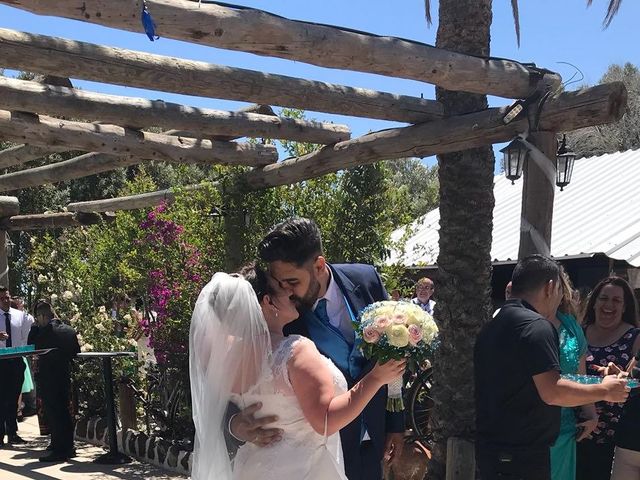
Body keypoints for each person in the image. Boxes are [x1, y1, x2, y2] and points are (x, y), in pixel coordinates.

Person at [229, 217, 405, 480]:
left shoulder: (366, 280)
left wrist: (395, 424)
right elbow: (236, 376)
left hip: (373, 440)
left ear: (319, 265)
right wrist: (234, 425)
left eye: (292, 281)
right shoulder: (282, 317)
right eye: (279, 283)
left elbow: (393, 353)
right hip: (318, 457)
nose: (286, 291)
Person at [189, 266, 405, 480]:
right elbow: (325, 422)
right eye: (281, 288)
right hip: (304, 470)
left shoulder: (227, 357)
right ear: (268, 301)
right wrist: (376, 378)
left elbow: (211, 409)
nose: (291, 292)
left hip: (251, 469)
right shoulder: (295, 351)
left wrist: (234, 424)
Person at [474, 255, 630, 480]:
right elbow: (552, 391)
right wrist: (606, 390)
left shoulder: (491, 327)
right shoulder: (538, 326)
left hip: (490, 454)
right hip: (525, 459)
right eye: (559, 291)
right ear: (550, 288)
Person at [576, 276, 640, 480]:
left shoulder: (635, 337)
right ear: (593, 303)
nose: (609, 304)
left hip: (619, 438)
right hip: (576, 431)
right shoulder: (578, 333)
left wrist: (623, 377)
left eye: (616, 300)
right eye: (603, 298)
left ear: (624, 307)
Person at [547, 269, 598, 480]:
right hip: (524, 431)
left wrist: (591, 415)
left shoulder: (571, 327)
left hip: (564, 430)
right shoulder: (520, 323)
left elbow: (581, 375)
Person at [27, 300, 80, 462]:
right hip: (64, 376)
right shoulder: (69, 331)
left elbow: (31, 345)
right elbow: (75, 352)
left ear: (42, 316)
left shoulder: (43, 333)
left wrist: (35, 327)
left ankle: (58, 449)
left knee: (54, 414)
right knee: (64, 411)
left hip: (48, 378)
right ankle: (69, 446)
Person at [0, 286, 33, 447]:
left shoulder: (20, 316)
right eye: (2, 299)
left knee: (13, 400)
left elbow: (29, 332)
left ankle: (12, 433)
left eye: (7, 297)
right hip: (1, 361)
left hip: (16, 362)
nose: (6, 301)